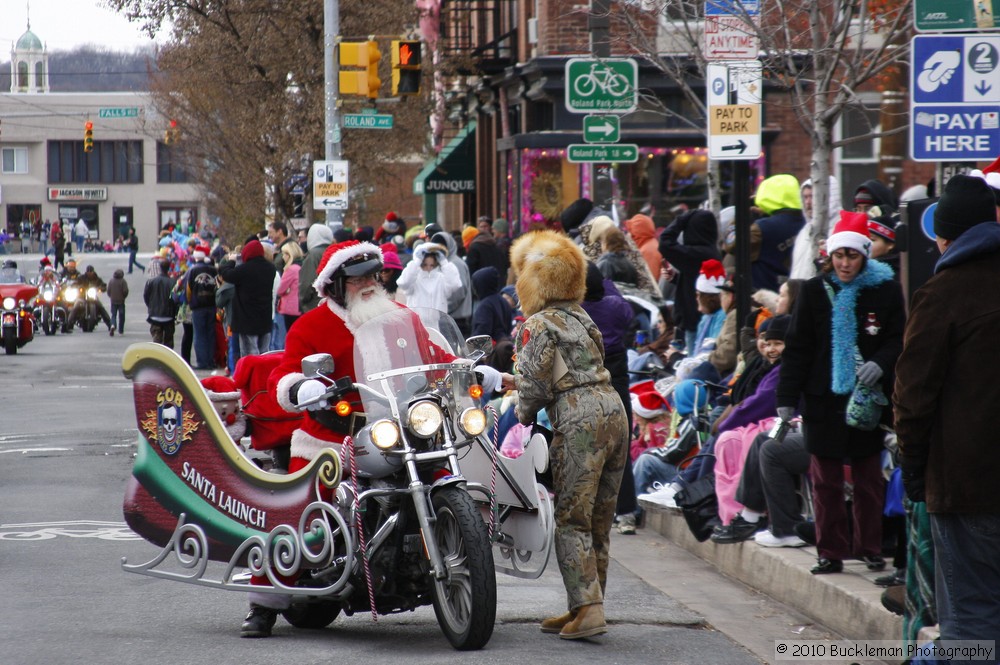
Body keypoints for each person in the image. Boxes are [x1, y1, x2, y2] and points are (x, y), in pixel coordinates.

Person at [239, 240, 498, 637]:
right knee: (298, 509)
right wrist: (300, 388)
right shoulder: (312, 325)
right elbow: (285, 374)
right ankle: (264, 601)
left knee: (443, 471)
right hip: (332, 438)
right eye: (357, 277)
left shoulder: (401, 317)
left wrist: (473, 374)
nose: (370, 283)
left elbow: (436, 355)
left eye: (374, 275)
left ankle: (451, 552)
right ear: (335, 284)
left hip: (403, 431)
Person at [498, 230, 628, 640]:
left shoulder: (536, 325)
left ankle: (587, 610)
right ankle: (586, 606)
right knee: (599, 520)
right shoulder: (580, 315)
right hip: (614, 409)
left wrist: (519, 409)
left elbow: (533, 388)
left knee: (571, 519)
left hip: (578, 420)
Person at [894, 174, 1000, 650]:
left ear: (943, 236)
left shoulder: (942, 295)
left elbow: (913, 397)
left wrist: (913, 470)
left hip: (967, 483)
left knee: (971, 619)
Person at [776, 210, 905, 575]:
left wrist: (880, 362)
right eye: (839, 255)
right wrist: (786, 399)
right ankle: (829, 550)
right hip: (823, 399)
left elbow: (899, 337)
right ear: (829, 256)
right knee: (826, 481)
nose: (845, 263)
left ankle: (869, 547)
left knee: (867, 480)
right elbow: (798, 347)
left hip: (867, 398)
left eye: (852, 255)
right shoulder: (815, 291)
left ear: (865, 255)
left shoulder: (886, 289)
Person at [658, 209, 722, 352]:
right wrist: (676, 278)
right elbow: (696, 280)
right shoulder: (709, 251)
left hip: (694, 320)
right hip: (698, 317)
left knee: (693, 362)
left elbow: (664, 242)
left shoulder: (696, 253)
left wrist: (682, 219)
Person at [731, 174, 806, 292]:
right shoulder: (808, 223)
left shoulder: (762, 228)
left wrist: (742, 215)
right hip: (797, 294)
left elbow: (731, 244)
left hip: (764, 298)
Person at [219, 239, 278, 358]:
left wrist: (231, 261)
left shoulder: (245, 269)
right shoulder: (271, 269)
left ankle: (251, 375)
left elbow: (225, 274)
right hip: (264, 317)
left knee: (250, 354)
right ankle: (264, 375)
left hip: (246, 319)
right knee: (264, 351)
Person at [395, 241, 462, 313]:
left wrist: (444, 263)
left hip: (437, 322)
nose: (428, 268)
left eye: (432, 265)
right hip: (417, 322)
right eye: (425, 265)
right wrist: (416, 262)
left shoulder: (440, 278)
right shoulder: (414, 278)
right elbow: (404, 283)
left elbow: (455, 284)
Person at [185, 245, 218, 369]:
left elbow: (188, 289)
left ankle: (202, 361)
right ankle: (210, 360)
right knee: (211, 334)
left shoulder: (192, 270)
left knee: (199, 335)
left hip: (197, 306)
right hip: (211, 305)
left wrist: (190, 301)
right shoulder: (213, 270)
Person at [470, 266, 512, 343]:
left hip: (492, 351)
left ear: (481, 285)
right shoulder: (503, 301)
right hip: (505, 347)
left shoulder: (485, 305)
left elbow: (481, 334)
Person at [298, 223, 333, 314]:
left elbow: (306, 282)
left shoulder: (313, 255)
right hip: (331, 302)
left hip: (314, 304)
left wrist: (302, 299)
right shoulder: (333, 251)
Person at [144, 259, 177, 347]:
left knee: (157, 340)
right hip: (169, 315)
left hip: (155, 314)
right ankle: (167, 358)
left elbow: (146, 296)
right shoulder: (173, 282)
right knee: (169, 342)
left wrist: (151, 306)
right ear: (169, 269)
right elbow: (176, 299)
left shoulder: (151, 282)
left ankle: (157, 357)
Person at [275, 240, 303, 331]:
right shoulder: (301, 265)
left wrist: (285, 291)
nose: (283, 257)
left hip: (290, 307)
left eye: (284, 254)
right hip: (300, 306)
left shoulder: (291, 269)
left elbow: (280, 290)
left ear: (289, 254)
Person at [106, 268, 129, 336]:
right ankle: (121, 330)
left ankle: (113, 325)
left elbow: (108, 291)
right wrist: (123, 297)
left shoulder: (111, 281)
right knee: (121, 316)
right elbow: (125, 291)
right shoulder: (123, 281)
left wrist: (111, 296)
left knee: (113, 315)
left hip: (113, 300)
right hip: (121, 301)